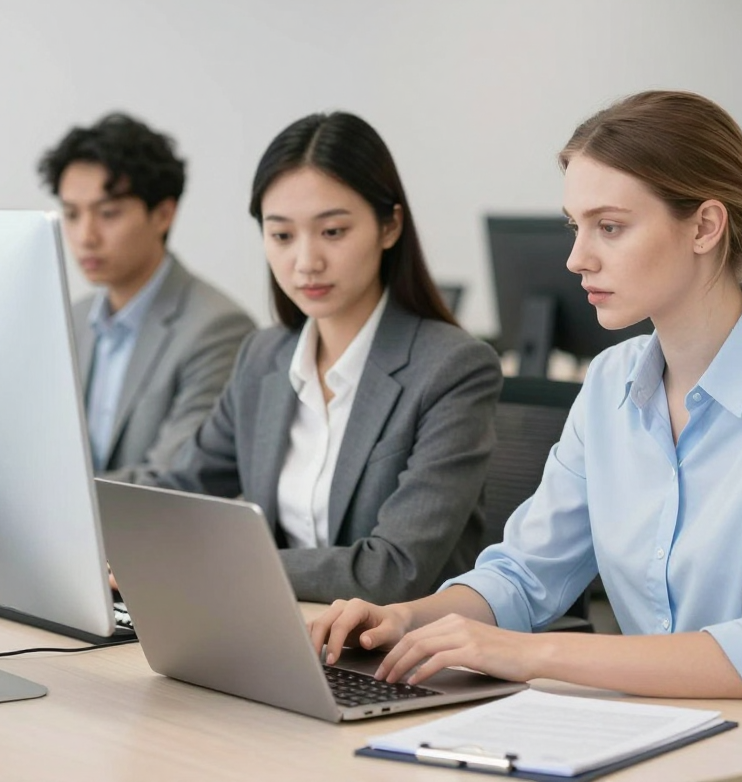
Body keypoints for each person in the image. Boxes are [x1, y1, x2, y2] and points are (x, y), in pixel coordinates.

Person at [311, 90, 742, 718]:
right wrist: (403, 619)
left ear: (704, 226)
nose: (576, 258)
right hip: (660, 723)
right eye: (575, 226)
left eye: (609, 227)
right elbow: (525, 576)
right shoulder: (612, 380)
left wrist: (531, 655)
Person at [134, 111, 502, 605]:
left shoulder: (453, 368)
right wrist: (116, 544)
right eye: (282, 236)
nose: (305, 262)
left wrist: (223, 566)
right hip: (284, 633)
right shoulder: (264, 356)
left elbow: (393, 570)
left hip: (399, 656)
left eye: (332, 232)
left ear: (389, 225)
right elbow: (179, 493)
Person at [38, 112, 255, 482]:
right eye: (72, 215)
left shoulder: (218, 329)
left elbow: (175, 479)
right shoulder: (70, 320)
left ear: (163, 214)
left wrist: (49, 496)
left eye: (107, 213)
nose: (85, 236)